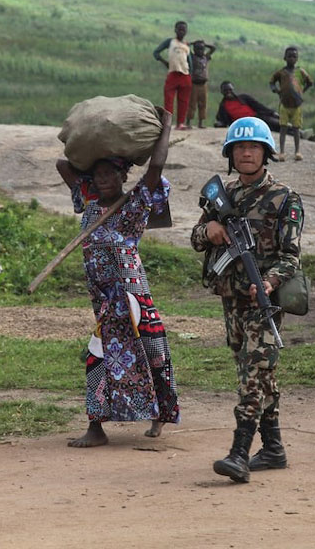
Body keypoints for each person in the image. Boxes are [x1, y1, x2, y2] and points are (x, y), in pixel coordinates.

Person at [55, 110, 181, 447]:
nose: (103, 180)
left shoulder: (134, 204)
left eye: (110, 174)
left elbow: (155, 168)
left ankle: (159, 416)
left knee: (149, 350)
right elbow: (61, 165)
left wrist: (166, 126)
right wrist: (93, 155)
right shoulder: (90, 202)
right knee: (99, 354)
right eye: (98, 175)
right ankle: (96, 427)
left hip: (131, 295)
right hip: (102, 299)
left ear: (123, 175)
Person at [190, 116, 304, 483]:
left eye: (253, 147)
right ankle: (273, 449)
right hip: (231, 300)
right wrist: (210, 229)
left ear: (266, 152)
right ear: (230, 154)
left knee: (253, 375)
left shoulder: (285, 197)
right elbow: (195, 238)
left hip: (262, 301)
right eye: (240, 148)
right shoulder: (225, 196)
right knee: (257, 372)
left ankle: (239, 452)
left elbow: (291, 256)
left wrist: (269, 282)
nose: (247, 153)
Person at [269, 46, 314, 161]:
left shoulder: (300, 72)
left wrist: (301, 91)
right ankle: (282, 152)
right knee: (283, 128)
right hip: (284, 104)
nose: (292, 58)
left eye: (294, 56)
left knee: (296, 129)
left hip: (297, 105)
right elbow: (272, 82)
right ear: (285, 57)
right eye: (289, 56)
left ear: (297, 58)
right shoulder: (281, 72)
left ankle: (297, 151)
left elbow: (310, 82)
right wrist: (276, 90)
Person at [153, 21, 193, 130]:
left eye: (183, 29)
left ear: (186, 31)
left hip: (185, 75)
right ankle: (168, 123)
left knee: (183, 101)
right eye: (179, 29)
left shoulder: (186, 45)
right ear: (175, 30)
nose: (181, 31)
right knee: (169, 100)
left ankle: (180, 123)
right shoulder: (170, 42)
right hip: (173, 74)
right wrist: (165, 62)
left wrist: (191, 75)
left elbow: (190, 61)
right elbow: (156, 52)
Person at [214, 81, 281, 132]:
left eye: (230, 90)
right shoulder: (223, 106)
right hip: (243, 124)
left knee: (278, 124)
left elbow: (258, 106)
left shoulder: (243, 98)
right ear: (222, 92)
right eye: (226, 90)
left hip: (256, 118)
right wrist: (220, 124)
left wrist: (272, 112)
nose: (228, 92)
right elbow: (221, 119)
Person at [188, 40, 216, 129]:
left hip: (203, 84)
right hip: (194, 84)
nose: (200, 51)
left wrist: (205, 44)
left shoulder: (205, 57)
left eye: (202, 49)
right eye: (198, 48)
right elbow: (187, 47)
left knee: (203, 103)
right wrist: (192, 43)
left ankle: (201, 122)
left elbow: (213, 48)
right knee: (192, 103)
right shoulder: (192, 57)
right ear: (194, 49)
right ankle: (188, 122)